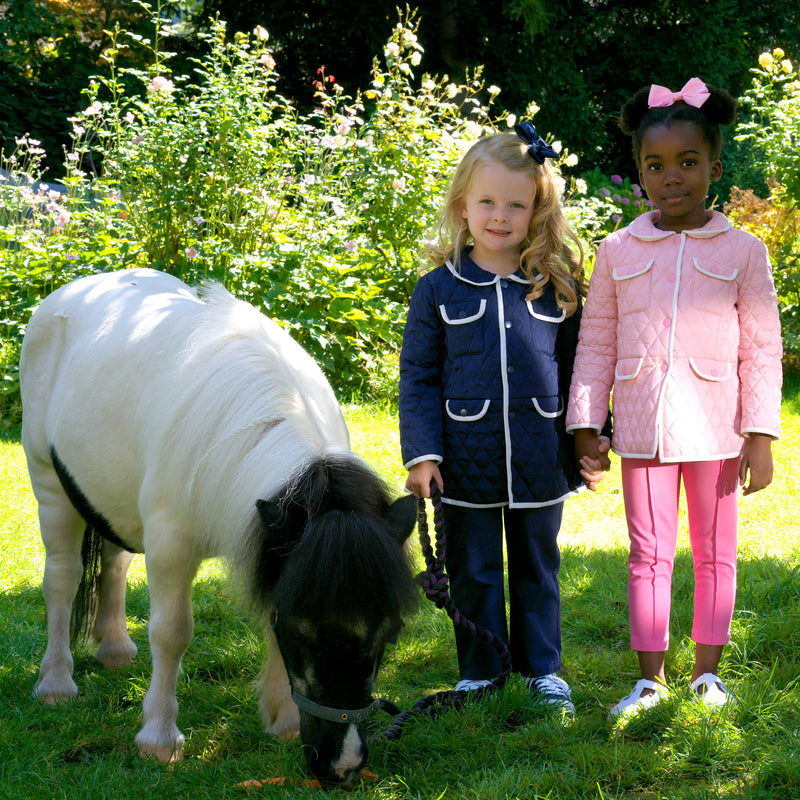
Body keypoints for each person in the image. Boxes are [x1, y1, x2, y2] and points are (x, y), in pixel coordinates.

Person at [566, 78, 783, 717]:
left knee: (717, 555)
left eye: (688, 163)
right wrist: (586, 422)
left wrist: (761, 435)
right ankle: (649, 680)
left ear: (714, 168)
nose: (672, 178)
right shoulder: (617, 250)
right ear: (639, 173)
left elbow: (762, 350)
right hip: (642, 430)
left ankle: (707, 675)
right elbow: (596, 341)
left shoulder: (746, 253)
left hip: (718, 431)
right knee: (647, 555)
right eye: (655, 165)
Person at [399, 124, 609, 715]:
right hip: (464, 462)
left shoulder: (555, 286)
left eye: (515, 204)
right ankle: (481, 671)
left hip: (542, 455)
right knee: (475, 568)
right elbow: (417, 376)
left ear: (536, 210)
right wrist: (423, 453)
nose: (499, 215)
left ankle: (544, 669)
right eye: (487, 202)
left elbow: (582, 367)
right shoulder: (437, 290)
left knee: (538, 567)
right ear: (463, 207)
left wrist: (595, 434)